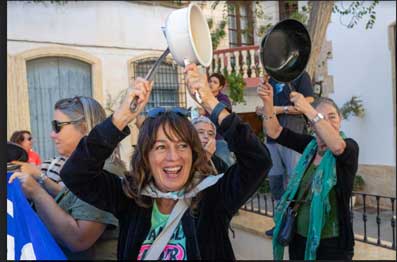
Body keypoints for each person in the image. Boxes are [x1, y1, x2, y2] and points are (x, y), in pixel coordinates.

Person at [59, 64, 271, 260]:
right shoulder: (130, 198)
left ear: (193, 152)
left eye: (182, 146)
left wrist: (209, 101)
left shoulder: (213, 198)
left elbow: (258, 160)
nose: (173, 157)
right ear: (146, 157)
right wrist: (121, 117)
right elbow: (76, 174)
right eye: (160, 147)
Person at [9, 96, 125, 260]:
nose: (52, 134)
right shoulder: (87, 169)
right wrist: (38, 176)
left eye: (57, 126)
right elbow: (75, 202)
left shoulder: (106, 171)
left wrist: (37, 192)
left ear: (84, 128)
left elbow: (79, 239)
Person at [257, 78, 359, 260]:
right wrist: (268, 102)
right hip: (299, 240)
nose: (326, 122)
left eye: (332, 117)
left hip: (332, 245)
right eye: (320, 118)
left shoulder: (348, 147)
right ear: (311, 125)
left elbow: (337, 148)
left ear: (340, 120)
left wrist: (309, 109)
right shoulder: (309, 147)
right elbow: (274, 132)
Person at [257, 71, 314, 237]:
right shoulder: (271, 79)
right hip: (272, 140)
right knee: (275, 184)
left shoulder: (300, 75)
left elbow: (308, 102)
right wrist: (264, 109)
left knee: (293, 182)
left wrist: (278, 109)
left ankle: (296, 227)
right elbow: (269, 108)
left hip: (293, 137)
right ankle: (280, 224)